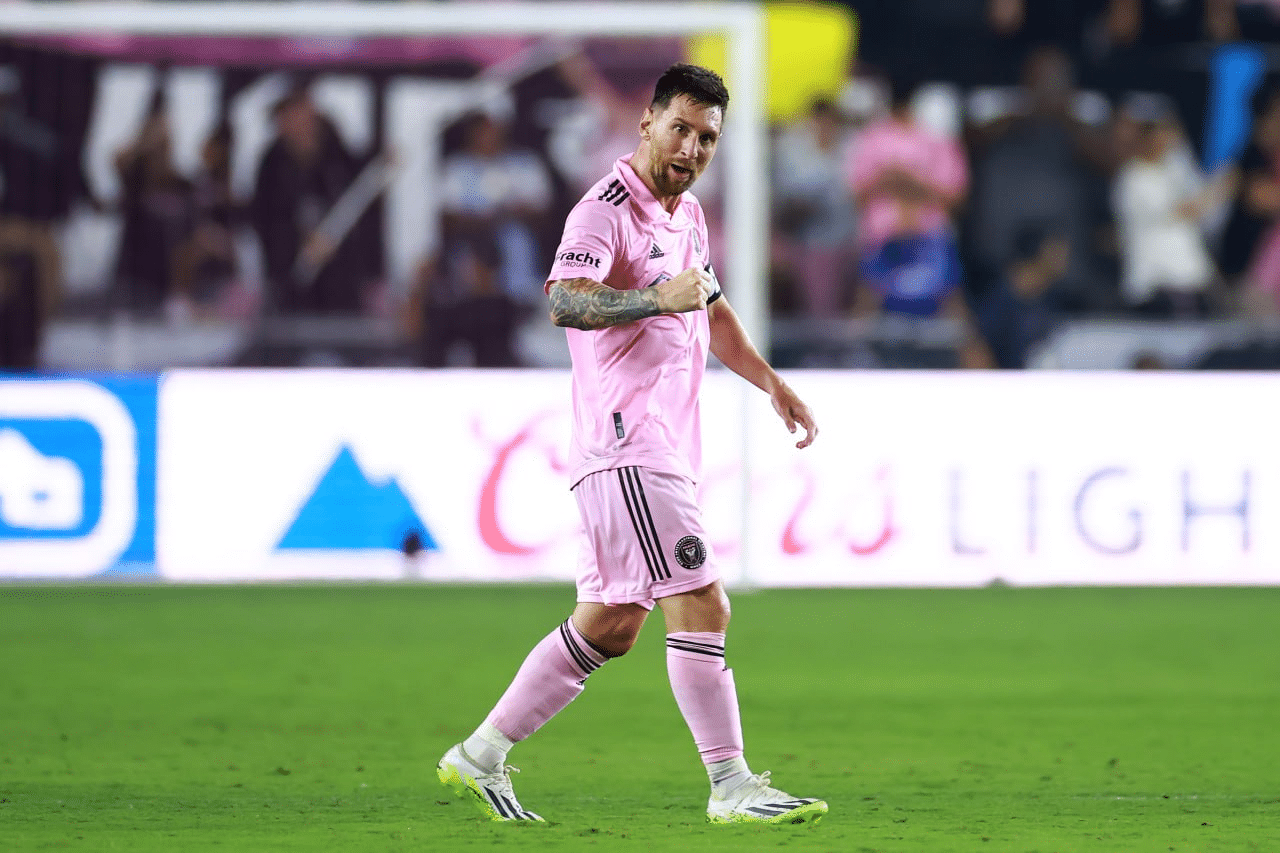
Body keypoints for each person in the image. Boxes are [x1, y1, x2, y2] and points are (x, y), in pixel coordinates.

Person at [437, 63, 827, 826]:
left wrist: (771, 382)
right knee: (703, 601)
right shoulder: (603, 211)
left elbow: (709, 308)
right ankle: (730, 784)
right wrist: (654, 296)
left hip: (655, 447)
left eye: (706, 137)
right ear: (647, 122)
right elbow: (564, 301)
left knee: (612, 621)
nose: (690, 148)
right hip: (628, 443)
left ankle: (480, 753)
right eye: (679, 128)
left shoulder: (689, 216)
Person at [977, 223, 1071, 369]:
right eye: (1057, 251)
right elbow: (976, 349)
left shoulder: (1054, 298)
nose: (1064, 257)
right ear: (1039, 252)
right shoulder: (1000, 299)